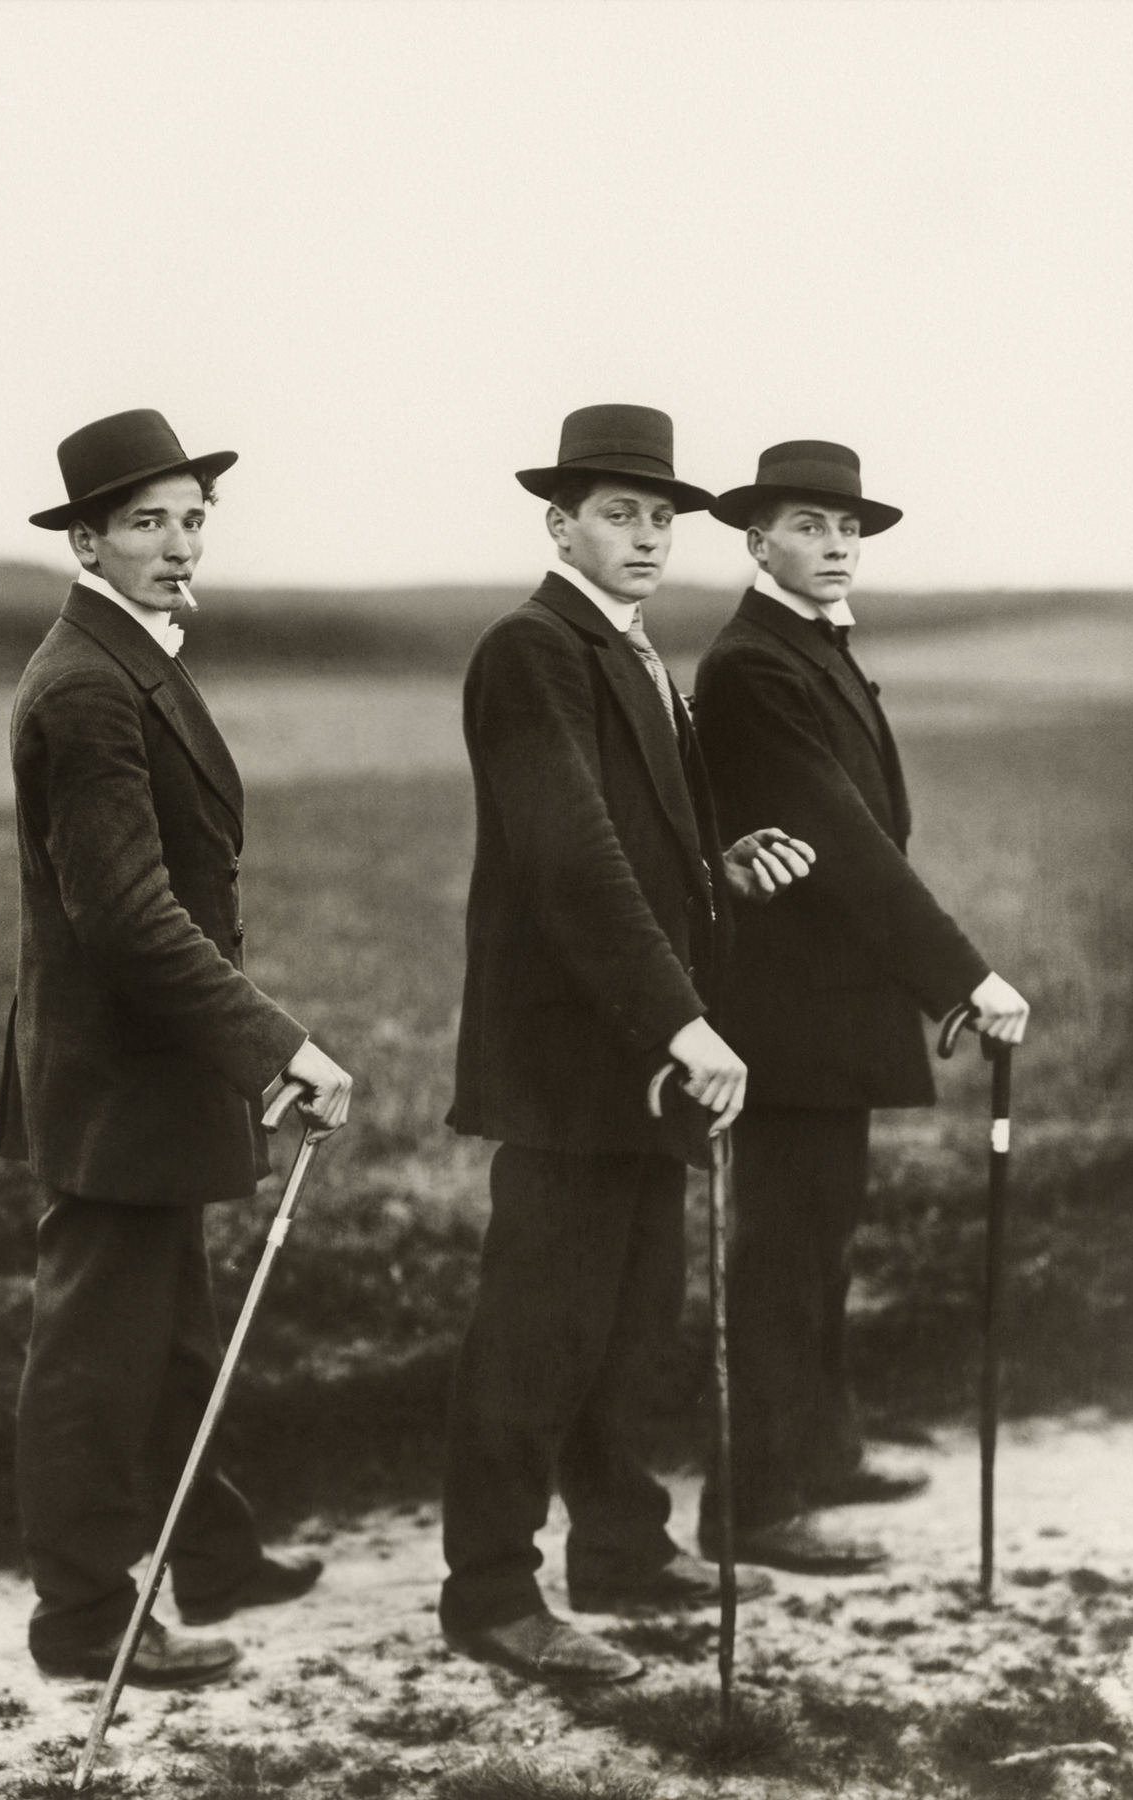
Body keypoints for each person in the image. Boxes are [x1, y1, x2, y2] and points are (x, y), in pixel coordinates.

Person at [440, 404, 815, 1683]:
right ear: (561, 525)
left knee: (634, 1315)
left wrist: (720, 865)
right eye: (619, 513)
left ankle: (619, 1545)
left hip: (638, 1058)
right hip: (568, 1057)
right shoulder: (531, 650)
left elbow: (640, 843)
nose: (648, 534)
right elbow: (573, 857)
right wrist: (683, 1020)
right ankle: (491, 1593)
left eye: (661, 515)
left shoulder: (631, 649)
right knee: (538, 1328)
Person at [0, 408, 353, 1685]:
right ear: (86, 540)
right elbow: (129, 916)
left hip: (146, 1071)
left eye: (193, 518)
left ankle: (210, 1555)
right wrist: (278, 1047)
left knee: (174, 1332)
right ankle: (82, 1619)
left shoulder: (127, 655)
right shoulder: (87, 683)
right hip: (117, 1076)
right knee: (95, 1357)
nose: (179, 543)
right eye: (147, 522)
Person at [692, 440, 1029, 1573]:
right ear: (757, 542)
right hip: (786, 1014)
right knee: (782, 1258)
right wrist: (962, 978)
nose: (835, 545)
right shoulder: (752, 666)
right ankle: (751, 1504)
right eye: (808, 525)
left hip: (831, 1009)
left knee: (820, 1242)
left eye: (847, 529)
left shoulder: (808, 647)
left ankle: (821, 1452)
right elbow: (842, 842)